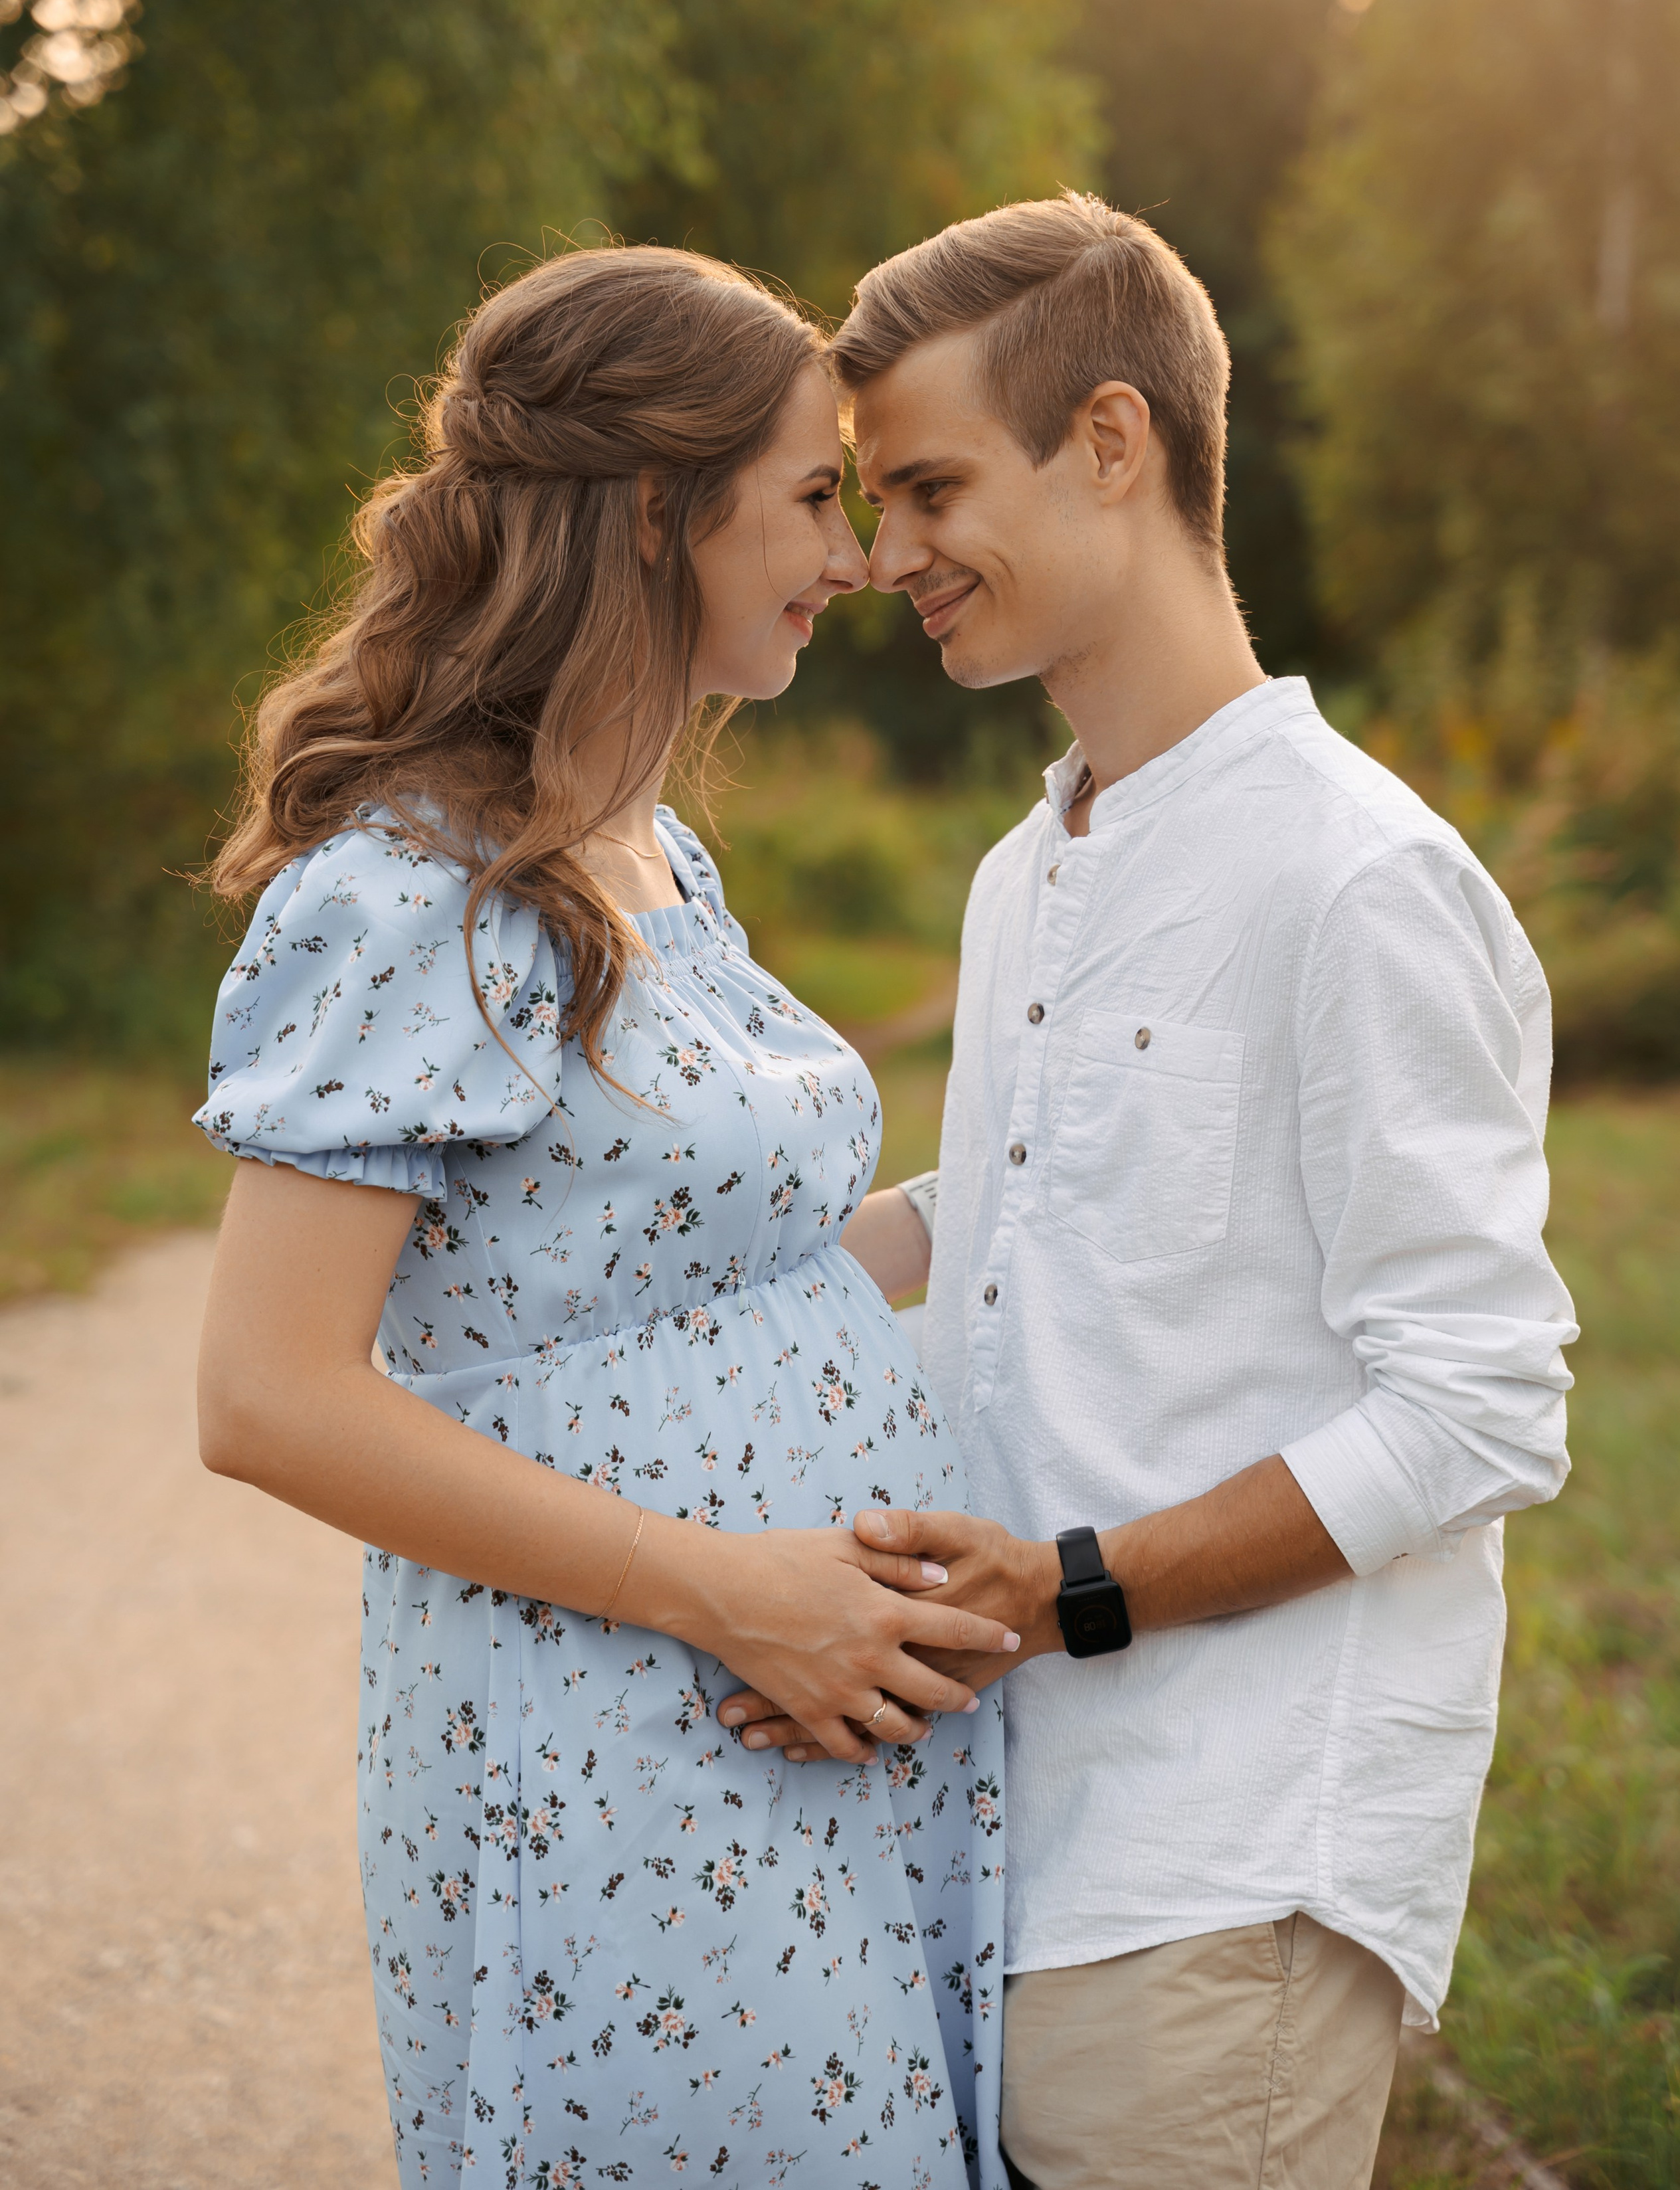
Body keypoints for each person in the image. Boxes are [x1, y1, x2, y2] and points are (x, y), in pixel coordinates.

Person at [717, 194, 1578, 2190]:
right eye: (869, 497)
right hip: (1019, 1822)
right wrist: (692, 1289)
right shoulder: (1035, 863)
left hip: (1229, 1854)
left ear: (1113, 442)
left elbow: (1478, 1402)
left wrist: (1067, 1589)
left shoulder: (1357, 878)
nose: (885, 555)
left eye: (930, 485)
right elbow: (1023, 1207)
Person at [191, 243, 1019, 2190]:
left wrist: (1084, 1187)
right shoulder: (410, 884)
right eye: (818, 495)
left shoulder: (655, 846)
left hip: (816, 1709)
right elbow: (266, 1394)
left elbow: (715, 1268)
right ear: (659, 509)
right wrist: (741, 1592)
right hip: (621, 1730)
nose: (861, 552)